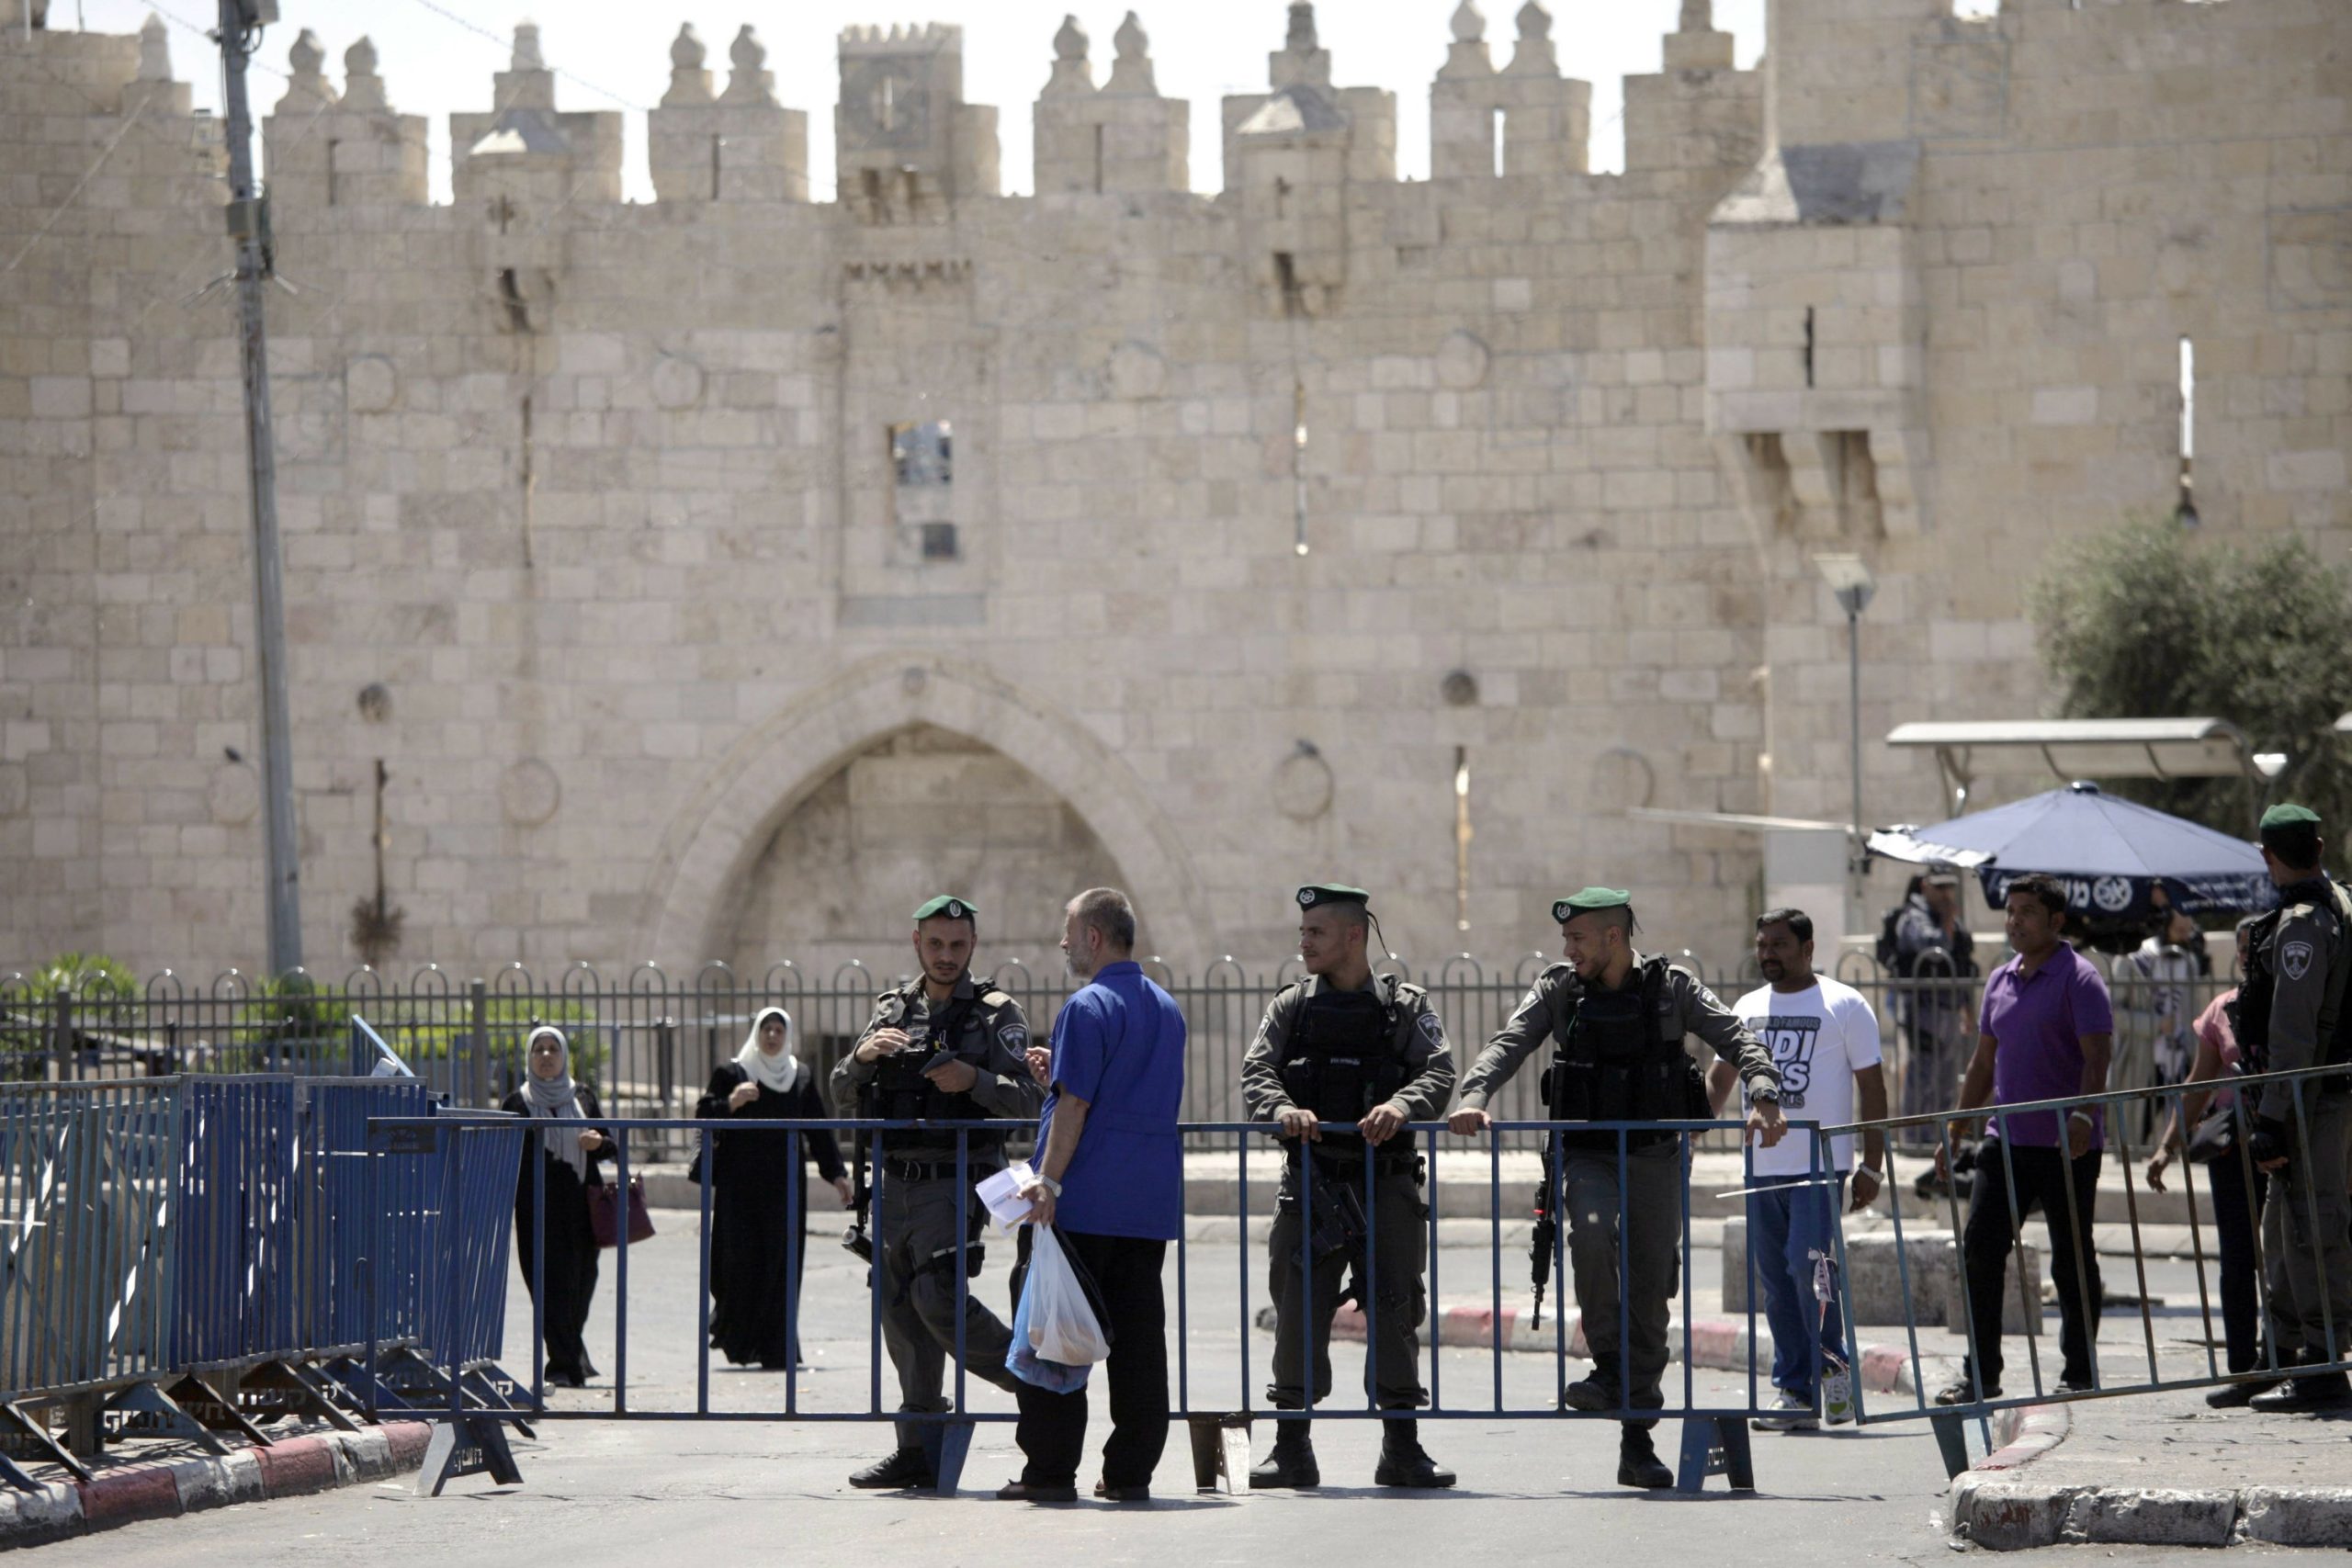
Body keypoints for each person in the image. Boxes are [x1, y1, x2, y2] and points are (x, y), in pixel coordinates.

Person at [1449, 887, 1785, 1490]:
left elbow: (1738, 1038)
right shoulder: (1559, 988)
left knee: (1651, 1288)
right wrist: (1475, 1095)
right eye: (1565, 939)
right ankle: (1607, 1363)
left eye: (1578, 938)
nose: (1567, 948)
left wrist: (1764, 1093)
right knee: (1592, 1232)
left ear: (1613, 937)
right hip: (1588, 1154)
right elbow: (1509, 1042)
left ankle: (1638, 1436)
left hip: (1655, 1158)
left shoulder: (1672, 988)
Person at [1239, 884, 1457, 1490]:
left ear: (1354, 935)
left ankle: (1402, 1447)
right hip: (1312, 1183)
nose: (1302, 941)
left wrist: (1402, 1104)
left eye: (1316, 932)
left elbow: (1440, 1069)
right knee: (1296, 1313)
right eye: (1302, 930)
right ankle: (1291, 1446)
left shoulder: (1402, 1006)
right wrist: (1283, 1109)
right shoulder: (1292, 1007)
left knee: (1394, 1309)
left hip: (1383, 1184)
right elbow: (1256, 1071)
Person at [831, 896, 1044, 1490]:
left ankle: (1031, 1379)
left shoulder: (996, 1013)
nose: (946, 955)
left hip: (957, 1180)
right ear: (916, 942)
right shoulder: (893, 1009)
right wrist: (861, 1057)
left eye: (957, 944)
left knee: (936, 1297)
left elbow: (1032, 1097)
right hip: (893, 1181)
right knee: (898, 1307)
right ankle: (918, 1446)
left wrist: (973, 1079)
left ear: (972, 944)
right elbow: (841, 1088)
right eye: (935, 944)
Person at [1002, 888, 1187, 1504]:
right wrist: (1060, 1067)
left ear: (1095, 938)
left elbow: (1077, 1104)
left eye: (1069, 929)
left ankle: (1051, 1470)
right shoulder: (1166, 1008)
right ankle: (1130, 1469)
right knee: (1138, 1340)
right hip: (1145, 1205)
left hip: (1082, 1201)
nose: (1063, 941)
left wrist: (1046, 1182)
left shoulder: (1087, 1006)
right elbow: (1124, 1088)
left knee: (1052, 1329)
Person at [1935, 874, 2114, 1403]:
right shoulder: (1999, 980)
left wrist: (2084, 1116)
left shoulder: (2081, 979)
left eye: (2027, 911)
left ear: (2056, 921)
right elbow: (1983, 1061)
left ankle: (2079, 1369)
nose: (2015, 920)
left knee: (2071, 1258)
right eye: (2011, 911)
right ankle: (1980, 1373)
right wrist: (1958, 1125)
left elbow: (2098, 1057)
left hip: (2067, 1145)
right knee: (1980, 1253)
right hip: (2005, 1141)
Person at [1721, 908, 1887, 1432]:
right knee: (1775, 1280)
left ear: (1808, 947)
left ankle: (1832, 1374)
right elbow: (1721, 1074)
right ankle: (1796, 1392)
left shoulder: (1845, 1004)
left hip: (1821, 1169)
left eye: (1780, 945)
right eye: (1762, 944)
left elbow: (1874, 1090)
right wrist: (1694, 1133)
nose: (1768, 953)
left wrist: (1873, 1167)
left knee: (1808, 1270)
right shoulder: (1747, 1007)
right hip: (1762, 1168)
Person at [2236, 804, 2352, 1412]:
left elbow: (2294, 1032)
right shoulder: (2338, 901)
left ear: (2266, 854)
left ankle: (2323, 1363)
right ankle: (2280, 1354)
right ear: (2320, 843)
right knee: (2283, 1228)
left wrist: (2274, 1114)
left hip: (2313, 1100)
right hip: (2316, 1095)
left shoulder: (2303, 923)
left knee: (2315, 1229)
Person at [2145, 917, 2272, 1405]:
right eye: (2243, 948)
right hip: (2234, 1151)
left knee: (2293, 1256)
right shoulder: (2222, 1010)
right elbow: (2197, 1086)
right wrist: (2167, 1147)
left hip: (2288, 1147)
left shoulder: (2296, 1003)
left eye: (2256, 946)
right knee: (2238, 1257)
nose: (2249, 955)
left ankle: (2300, 1357)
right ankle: (2244, 1368)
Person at [696, 1006, 852, 1371]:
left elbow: (818, 1130)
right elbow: (702, 1116)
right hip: (739, 1187)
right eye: (765, 1028)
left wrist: (838, 1175)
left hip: (785, 1188)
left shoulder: (799, 1076)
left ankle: (777, 1348)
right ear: (756, 1032)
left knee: (782, 1264)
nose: (771, 1036)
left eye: (778, 1030)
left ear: (787, 1035)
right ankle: (740, 1338)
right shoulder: (733, 1072)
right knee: (738, 1262)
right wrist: (731, 1102)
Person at [502, 1025, 613, 1388]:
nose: (546, 1056)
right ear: (529, 1058)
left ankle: (570, 1350)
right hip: (537, 1210)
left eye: (553, 1049)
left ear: (564, 1056)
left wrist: (597, 1143)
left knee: (582, 1282)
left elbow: (612, 1144)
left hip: (582, 1206)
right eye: (539, 1050)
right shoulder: (516, 1103)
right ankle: (563, 1364)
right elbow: (500, 1154)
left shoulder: (582, 1096)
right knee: (546, 1286)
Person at [1889, 867, 1978, 1146]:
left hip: (1949, 1006)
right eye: (1939, 888)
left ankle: (1937, 1136)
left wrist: (1967, 1008)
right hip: (1923, 1007)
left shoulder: (1948, 918)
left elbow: (1961, 962)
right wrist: (1948, 922)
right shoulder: (1914, 917)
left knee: (1947, 1076)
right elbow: (1933, 946)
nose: (1945, 894)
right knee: (1923, 1073)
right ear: (1925, 887)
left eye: (1949, 887)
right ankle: (1916, 1137)